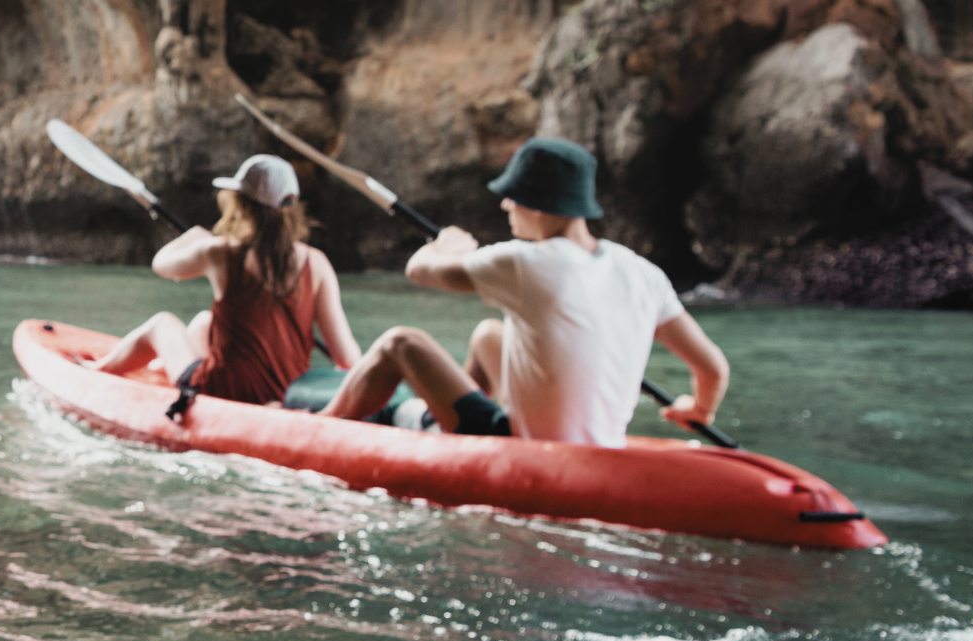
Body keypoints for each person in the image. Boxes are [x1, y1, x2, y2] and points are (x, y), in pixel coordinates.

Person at [321, 137, 728, 446]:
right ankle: (443, 430)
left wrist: (446, 245)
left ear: (536, 204)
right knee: (488, 335)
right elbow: (712, 368)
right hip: (602, 443)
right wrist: (698, 409)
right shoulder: (643, 273)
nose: (505, 206)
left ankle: (318, 426)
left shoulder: (524, 263)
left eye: (511, 197)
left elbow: (419, 270)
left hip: (529, 445)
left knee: (401, 344)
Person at [88, 154, 361, 416]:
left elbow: (161, 264)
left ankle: (95, 372)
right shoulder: (317, 263)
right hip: (286, 394)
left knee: (162, 324)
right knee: (204, 323)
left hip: (222, 390)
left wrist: (193, 237)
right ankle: (160, 366)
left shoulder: (221, 252)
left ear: (242, 206)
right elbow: (347, 359)